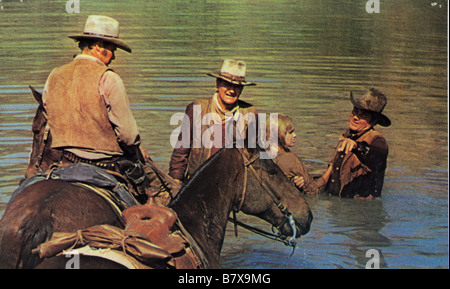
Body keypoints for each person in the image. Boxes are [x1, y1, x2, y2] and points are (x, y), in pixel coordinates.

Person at [40, 15, 152, 201]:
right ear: (99, 46)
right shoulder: (108, 78)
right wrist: (137, 149)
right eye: (112, 49)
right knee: (152, 201)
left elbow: (48, 118)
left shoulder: (54, 76)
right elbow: (128, 135)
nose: (114, 56)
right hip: (105, 166)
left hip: (64, 163)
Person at [169, 59, 257, 182]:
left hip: (233, 183)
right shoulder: (196, 109)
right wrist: (175, 182)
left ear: (242, 89)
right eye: (227, 84)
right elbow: (180, 155)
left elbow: (255, 157)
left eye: (237, 86)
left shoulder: (249, 113)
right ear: (217, 84)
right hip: (199, 182)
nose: (232, 90)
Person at [321, 88, 391, 199]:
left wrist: (357, 147)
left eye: (362, 115)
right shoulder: (347, 135)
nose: (355, 117)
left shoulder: (378, 141)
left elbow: (376, 155)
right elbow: (331, 170)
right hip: (336, 207)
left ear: (373, 121)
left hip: (361, 211)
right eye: (354, 111)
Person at [267, 114, 327, 194]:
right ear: (280, 135)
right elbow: (314, 189)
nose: (295, 135)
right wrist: (331, 168)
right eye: (290, 132)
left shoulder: (262, 154)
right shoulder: (290, 159)